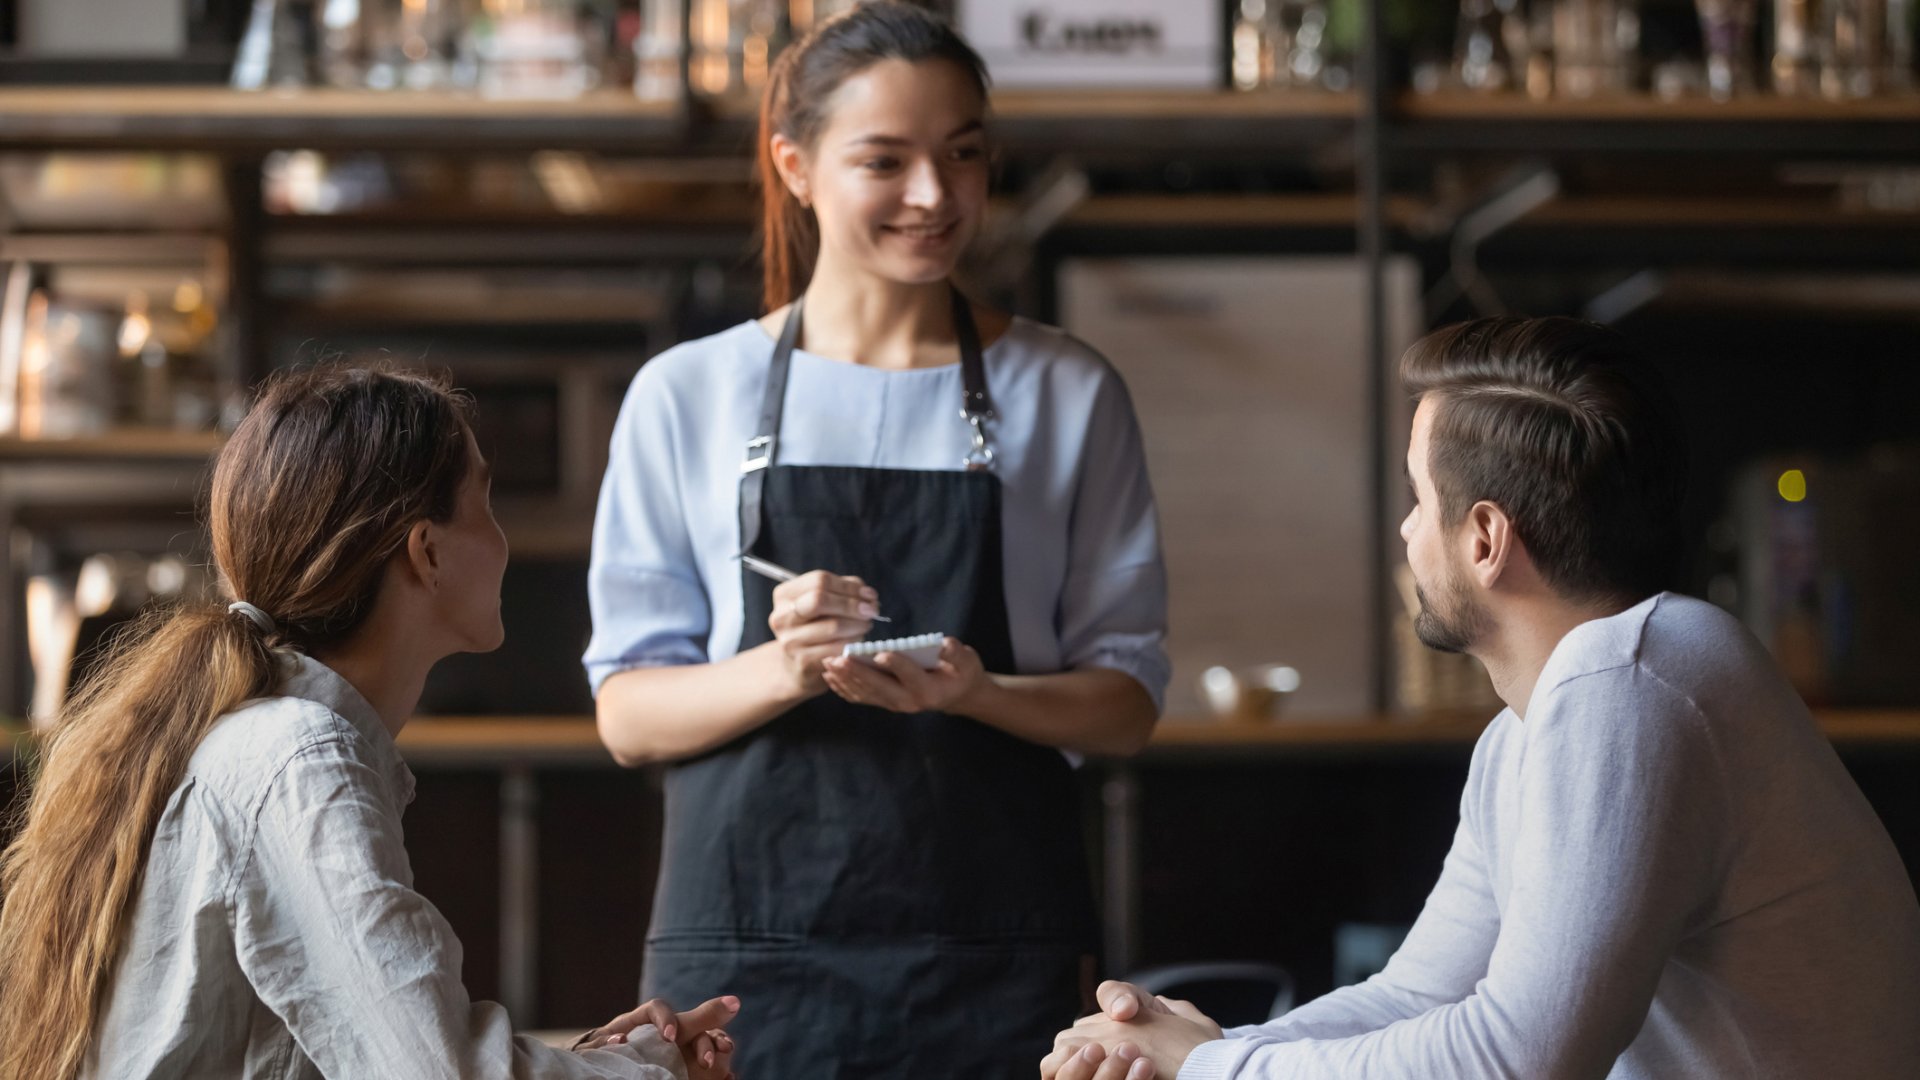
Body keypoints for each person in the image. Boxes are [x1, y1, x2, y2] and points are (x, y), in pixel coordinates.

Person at [1044, 317, 1920, 1080]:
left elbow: (1519, 1061)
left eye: (1419, 499)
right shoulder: (1535, 726)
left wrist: (1211, 1064)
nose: (1407, 530)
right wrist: (1190, 1047)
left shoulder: (1631, 682)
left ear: (1486, 538)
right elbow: (1420, 992)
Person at [583, 3, 1169, 1075]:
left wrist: (976, 691)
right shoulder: (687, 395)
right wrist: (787, 666)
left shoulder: (1069, 390)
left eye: (963, 157)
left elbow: (1125, 703)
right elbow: (627, 712)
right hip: (743, 968)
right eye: (884, 161)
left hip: (998, 956)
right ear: (796, 165)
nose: (934, 198)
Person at [0, 365, 739, 1080]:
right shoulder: (301, 763)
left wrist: (604, 1063)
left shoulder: (269, 745)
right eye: (485, 503)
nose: (503, 539)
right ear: (427, 552)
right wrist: (654, 1070)